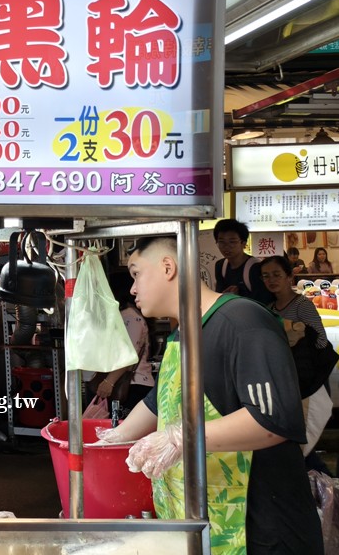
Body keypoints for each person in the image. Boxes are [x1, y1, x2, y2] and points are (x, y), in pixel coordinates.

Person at [99, 237, 322, 554]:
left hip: (258, 527)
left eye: (136, 274)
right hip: (201, 521)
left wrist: (181, 438)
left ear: (167, 267)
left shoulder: (243, 321)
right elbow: (158, 401)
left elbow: (272, 421)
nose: (132, 288)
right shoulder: (183, 331)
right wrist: (111, 438)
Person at [259, 255, 337, 457]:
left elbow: (321, 339)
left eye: (277, 274)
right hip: (287, 380)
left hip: (308, 379)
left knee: (306, 436)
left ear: (288, 277)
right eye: (266, 276)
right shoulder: (269, 309)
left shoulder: (302, 305)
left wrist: (298, 342)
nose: (271, 280)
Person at [85, 271, 154, 418]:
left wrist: (109, 382)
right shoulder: (127, 315)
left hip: (132, 385)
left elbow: (128, 355)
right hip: (130, 384)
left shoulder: (129, 316)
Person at [212, 218, 272, 305]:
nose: (226, 247)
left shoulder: (256, 267)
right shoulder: (220, 266)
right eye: (221, 242)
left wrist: (236, 298)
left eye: (232, 242)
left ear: (243, 243)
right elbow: (219, 296)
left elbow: (263, 303)